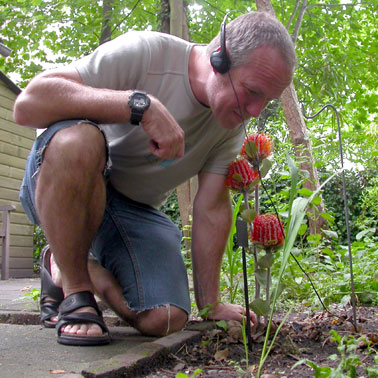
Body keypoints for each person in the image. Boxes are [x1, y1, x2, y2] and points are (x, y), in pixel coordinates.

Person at [13, 11, 296, 346]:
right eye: (251, 91)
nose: (254, 110)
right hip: (61, 182)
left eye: (266, 100)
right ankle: (76, 292)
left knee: (165, 317)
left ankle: (73, 268)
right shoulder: (146, 53)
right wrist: (138, 105)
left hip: (132, 212)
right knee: (81, 141)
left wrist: (211, 304)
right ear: (220, 56)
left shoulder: (229, 128)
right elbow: (28, 104)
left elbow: (211, 208)